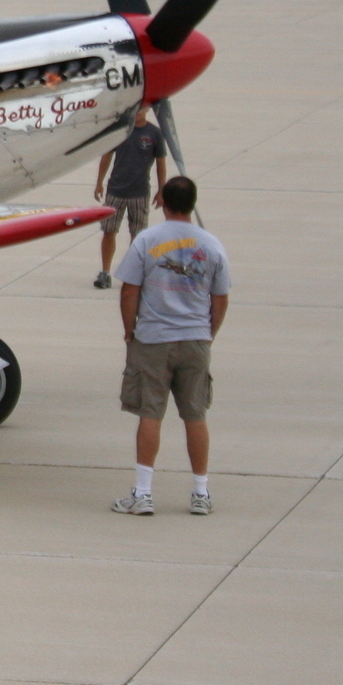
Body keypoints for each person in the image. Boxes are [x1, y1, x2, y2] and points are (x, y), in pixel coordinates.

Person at [111, 176, 230, 516]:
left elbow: (129, 289)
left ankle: (144, 493)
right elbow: (220, 297)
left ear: (162, 201)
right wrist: (208, 333)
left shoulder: (147, 241)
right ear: (193, 203)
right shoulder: (212, 245)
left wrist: (129, 331)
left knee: (150, 414)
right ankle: (200, 493)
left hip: (153, 339)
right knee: (195, 416)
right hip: (195, 340)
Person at [92, 102, 166, 289]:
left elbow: (160, 163)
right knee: (109, 231)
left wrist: (161, 190)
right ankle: (105, 272)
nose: (139, 112)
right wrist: (100, 182)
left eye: (143, 108)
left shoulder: (154, 134)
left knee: (138, 235)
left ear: (148, 109)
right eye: (136, 108)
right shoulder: (120, 130)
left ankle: (134, 273)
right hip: (116, 190)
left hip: (140, 192)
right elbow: (107, 156)